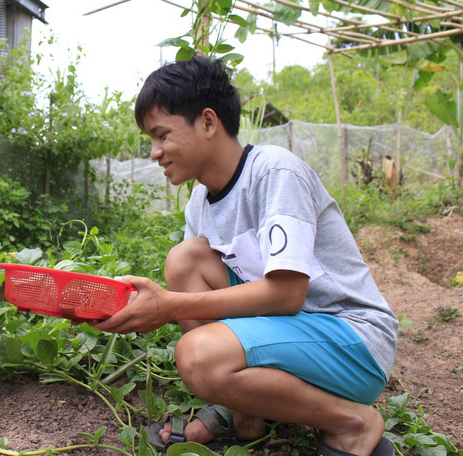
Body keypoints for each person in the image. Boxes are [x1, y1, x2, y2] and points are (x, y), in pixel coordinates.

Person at [93, 56, 398, 456]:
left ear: (207, 122)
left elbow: (287, 294)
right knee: (185, 260)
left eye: (161, 135)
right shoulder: (200, 204)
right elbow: (207, 294)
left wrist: (169, 307)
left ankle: (352, 423)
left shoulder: (273, 172)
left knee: (199, 356)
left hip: (351, 340)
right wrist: (139, 309)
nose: (154, 152)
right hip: (294, 332)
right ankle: (245, 416)